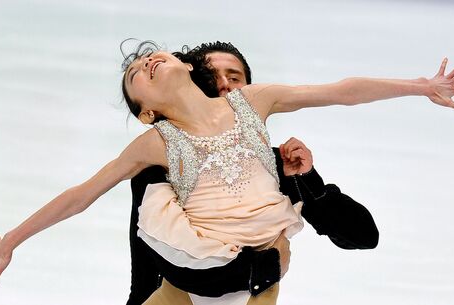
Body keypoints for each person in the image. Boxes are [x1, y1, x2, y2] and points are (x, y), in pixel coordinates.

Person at [0, 41, 454, 304]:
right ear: (145, 110)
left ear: (187, 67)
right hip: (194, 280)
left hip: (259, 276)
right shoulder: (154, 144)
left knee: (264, 265)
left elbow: (343, 91)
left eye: (152, 56)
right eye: (132, 74)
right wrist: (12, 238)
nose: (144, 63)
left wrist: (419, 85)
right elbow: (81, 195)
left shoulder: (256, 104)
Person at [126, 41, 380, 305]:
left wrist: (310, 182)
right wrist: (267, 267)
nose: (225, 85)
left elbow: (362, 236)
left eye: (235, 78)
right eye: (212, 78)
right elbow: (148, 269)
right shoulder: (158, 167)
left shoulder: (277, 165)